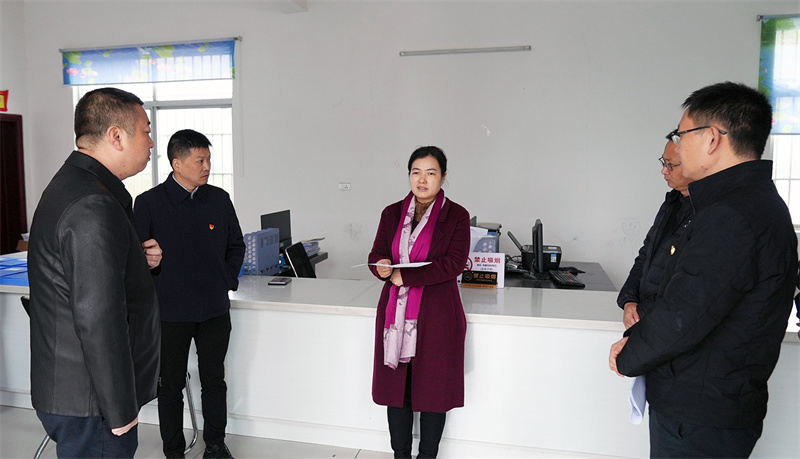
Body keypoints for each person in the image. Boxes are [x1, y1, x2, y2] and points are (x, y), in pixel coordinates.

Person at [609, 82, 798, 458]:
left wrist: (629, 355)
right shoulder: (750, 202)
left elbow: (685, 314)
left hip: (699, 413)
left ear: (712, 138)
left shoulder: (731, 215)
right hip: (710, 405)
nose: (677, 148)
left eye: (682, 136)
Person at [27, 87, 162, 458]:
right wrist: (119, 409)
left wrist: (134, 259)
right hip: (93, 400)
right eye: (146, 131)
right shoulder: (93, 203)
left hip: (77, 389)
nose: (151, 142)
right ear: (116, 136)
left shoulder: (75, 184)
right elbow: (98, 316)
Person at [134, 129, 245, 459]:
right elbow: (137, 258)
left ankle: (215, 444)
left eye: (208, 159)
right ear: (177, 164)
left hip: (214, 310)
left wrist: (225, 278)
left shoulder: (219, 199)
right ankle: (173, 450)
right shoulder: (149, 203)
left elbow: (236, 245)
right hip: (170, 313)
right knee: (170, 386)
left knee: (214, 380)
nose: (207, 166)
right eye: (200, 160)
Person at [367, 146, 470, 458]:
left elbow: (454, 263)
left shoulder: (457, 216)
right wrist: (382, 265)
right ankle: (400, 455)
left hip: (437, 316)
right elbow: (376, 255)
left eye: (430, 173)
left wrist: (406, 276)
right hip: (394, 317)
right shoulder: (391, 213)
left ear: (443, 177)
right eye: (416, 172)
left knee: (434, 393)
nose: (422, 180)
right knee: (397, 391)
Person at [617, 141, 693, 329]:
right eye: (663, 163)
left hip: (669, 322)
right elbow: (645, 255)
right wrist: (629, 301)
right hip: (647, 318)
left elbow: (685, 284)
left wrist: (642, 312)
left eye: (671, 165)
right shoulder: (672, 202)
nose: (664, 171)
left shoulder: (706, 212)